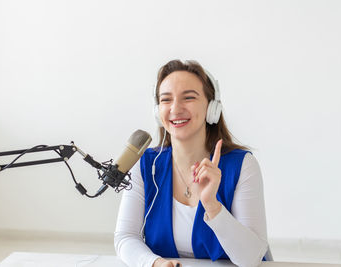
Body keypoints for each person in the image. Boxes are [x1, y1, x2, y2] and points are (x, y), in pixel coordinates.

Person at [114, 60, 270, 267]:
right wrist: (155, 263)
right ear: (157, 111)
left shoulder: (242, 166)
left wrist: (212, 206)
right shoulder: (146, 165)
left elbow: (251, 259)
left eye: (188, 98)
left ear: (212, 107)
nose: (175, 109)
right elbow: (125, 237)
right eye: (166, 100)